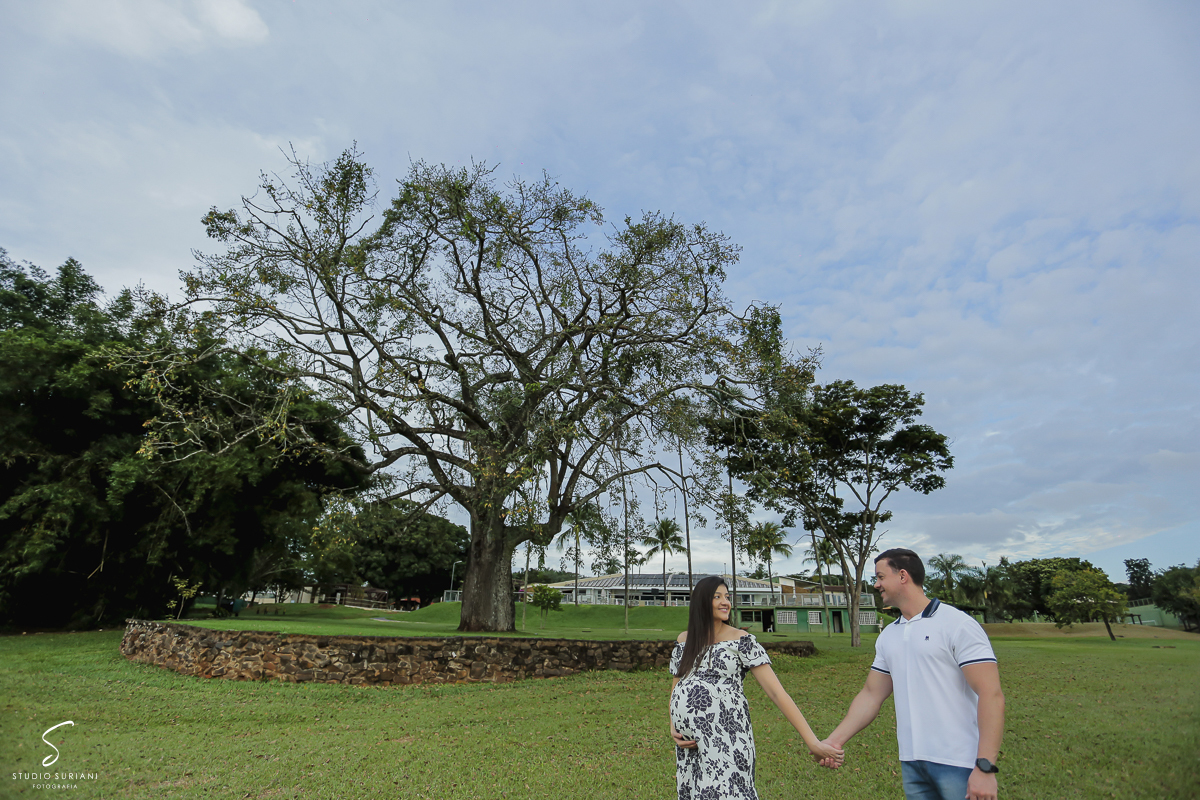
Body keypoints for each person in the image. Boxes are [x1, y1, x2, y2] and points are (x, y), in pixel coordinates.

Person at [816, 548, 1006, 800]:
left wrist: (985, 766)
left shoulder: (957, 624)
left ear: (902, 576)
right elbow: (872, 695)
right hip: (913, 763)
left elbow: (990, 694)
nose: (876, 584)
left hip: (959, 762)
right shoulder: (889, 636)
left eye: (881, 577)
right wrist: (834, 741)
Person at [669, 576, 843, 800]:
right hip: (690, 745)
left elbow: (776, 693)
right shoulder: (684, 640)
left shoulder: (741, 640)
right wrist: (673, 725)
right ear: (702, 602)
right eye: (717, 597)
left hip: (727, 740)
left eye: (727, 597)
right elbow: (677, 684)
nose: (726, 602)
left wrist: (813, 742)